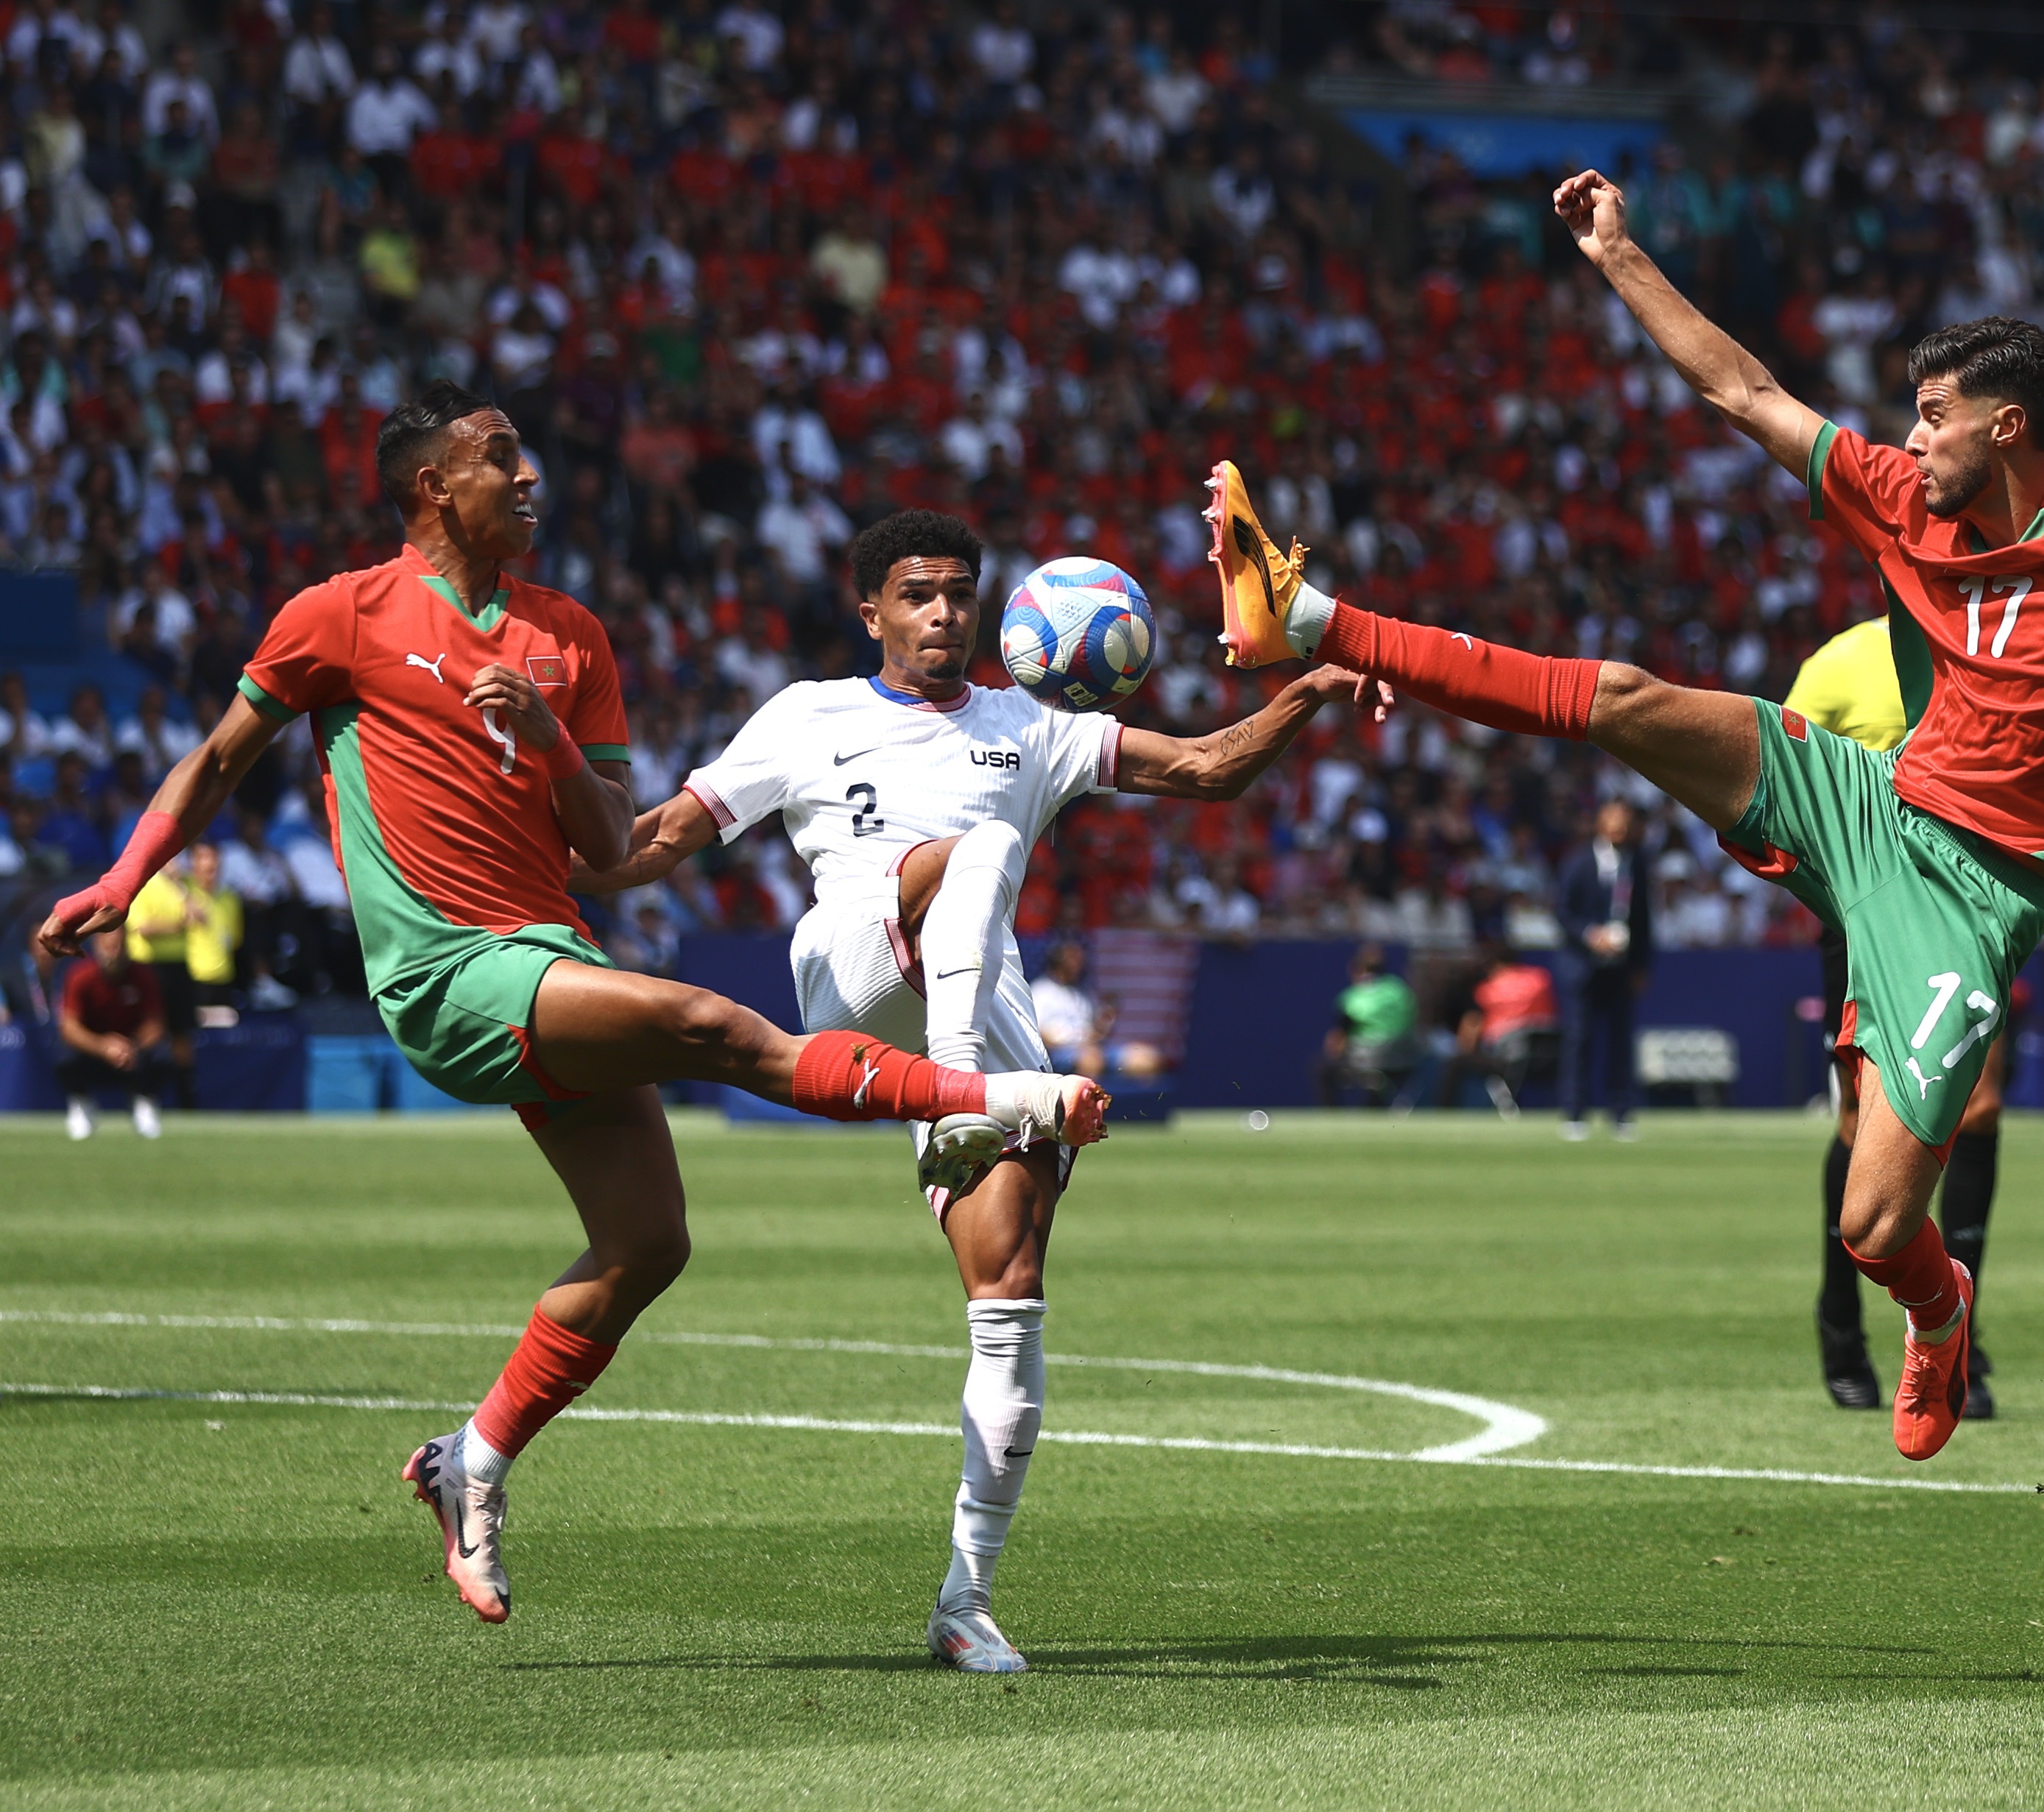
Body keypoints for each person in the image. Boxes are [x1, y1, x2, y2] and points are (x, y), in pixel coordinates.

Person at [1200, 166, 2044, 1464]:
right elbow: (1742, 391)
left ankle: (1938, 1314)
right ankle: (1311, 618)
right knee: (1620, 694)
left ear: (2007, 427)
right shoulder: (1902, 498)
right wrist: (1618, 255)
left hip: (1977, 894)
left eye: (1931, 417)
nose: (1908, 439)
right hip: (1871, 802)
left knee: (1877, 1227)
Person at [38, 386, 1103, 1635]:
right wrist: (123, 879)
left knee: (648, 1244)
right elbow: (221, 755)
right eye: (501, 459)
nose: (530, 476)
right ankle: (992, 1099)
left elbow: (603, 843)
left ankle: (470, 1460)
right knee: (711, 1024)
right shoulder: (340, 613)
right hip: (443, 968)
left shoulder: (570, 637)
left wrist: (545, 732)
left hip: (549, 947)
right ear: (433, 486)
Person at [570, 506, 1376, 1674]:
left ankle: (966, 1598)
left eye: (957, 591)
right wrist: (540, 853)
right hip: (851, 975)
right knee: (982, 849)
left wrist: (1312, 687)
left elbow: (1209, 767)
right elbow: (651, 842)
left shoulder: (1030, 726)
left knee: (1009, 1292)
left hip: (983, 1019)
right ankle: (961, 1097)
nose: (940, 612)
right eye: (915, 593)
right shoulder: (809, 715)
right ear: (871, 610)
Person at [1786, 616, 2013, 1418]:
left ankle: (1961, 1338)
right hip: (1861, 919)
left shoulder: (1989, 654)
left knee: (1978, 1110)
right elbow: (1786, 788)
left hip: (1967, 912)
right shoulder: (1837, 663)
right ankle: (1840, 1326)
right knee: (1861, 1127)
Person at [1553, 797, 1652, 1140]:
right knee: (1578, 1041)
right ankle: (1575, 1113)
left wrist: (1641, 964)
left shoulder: (1636, 862)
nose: (1620, 826)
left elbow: (1643, 919)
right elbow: (1563, 913)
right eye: (1613, 819)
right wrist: (1590, 936)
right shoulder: (1578, 862)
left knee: (1620, 1042)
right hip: (1582, 967)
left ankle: (1621, 1112)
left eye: (1625, 819)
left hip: (1621, 968)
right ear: (1600, 823)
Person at [124, 842, 242, 1106]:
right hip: (149, 966)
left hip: (179, 965)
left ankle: (185, 1094)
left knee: (182, 1033)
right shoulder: (145, 886)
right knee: (150, 1029)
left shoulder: (184, 886)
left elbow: (198, 913)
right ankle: (141, 1089)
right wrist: (178, 925)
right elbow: (142, 927)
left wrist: (180, 889)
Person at [53, 924, 169, 1141]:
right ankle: (82, 1105)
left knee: (162, 1055)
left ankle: (143, 1103)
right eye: (109, 946)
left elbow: (155, 1024)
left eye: (119, 945)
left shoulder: (144, 975)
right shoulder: (80, 976)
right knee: (64, 1058)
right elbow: (69, 1027)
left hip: (132, 1055)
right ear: (97, 945)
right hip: (94, 1053)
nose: (114, 952)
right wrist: (103, 1046)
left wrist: (130, 1047)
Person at [1437, 943, 1559, 1116]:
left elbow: (1472, 1027)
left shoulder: (1487, 991)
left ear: (1493, 962)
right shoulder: (1541, 979)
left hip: (1508, 1060)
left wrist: (1465, 1047)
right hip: (1549, 1058)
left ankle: (1444, 1113)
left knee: (1455, 1063)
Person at [1030, 938, 1164, 1080]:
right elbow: (1038, 1034)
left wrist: (1105, 1019)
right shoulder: (1041, 990)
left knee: (1147, 1059)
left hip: (1094, 1049)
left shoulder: (1083, 994)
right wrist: (1078, 1045)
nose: (1078, 964)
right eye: (1072, 958)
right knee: (1092, 1061)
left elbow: (1095, 1033)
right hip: (1060, 1053)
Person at [1318, 942, 1419, 1107]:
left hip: (1366, 1059)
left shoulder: (1353, 997)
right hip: (1403, 1057)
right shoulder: (1401, 990)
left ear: (1356, 969)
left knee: (1322, 1069)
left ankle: (1332, 1116)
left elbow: (1338, 1037)